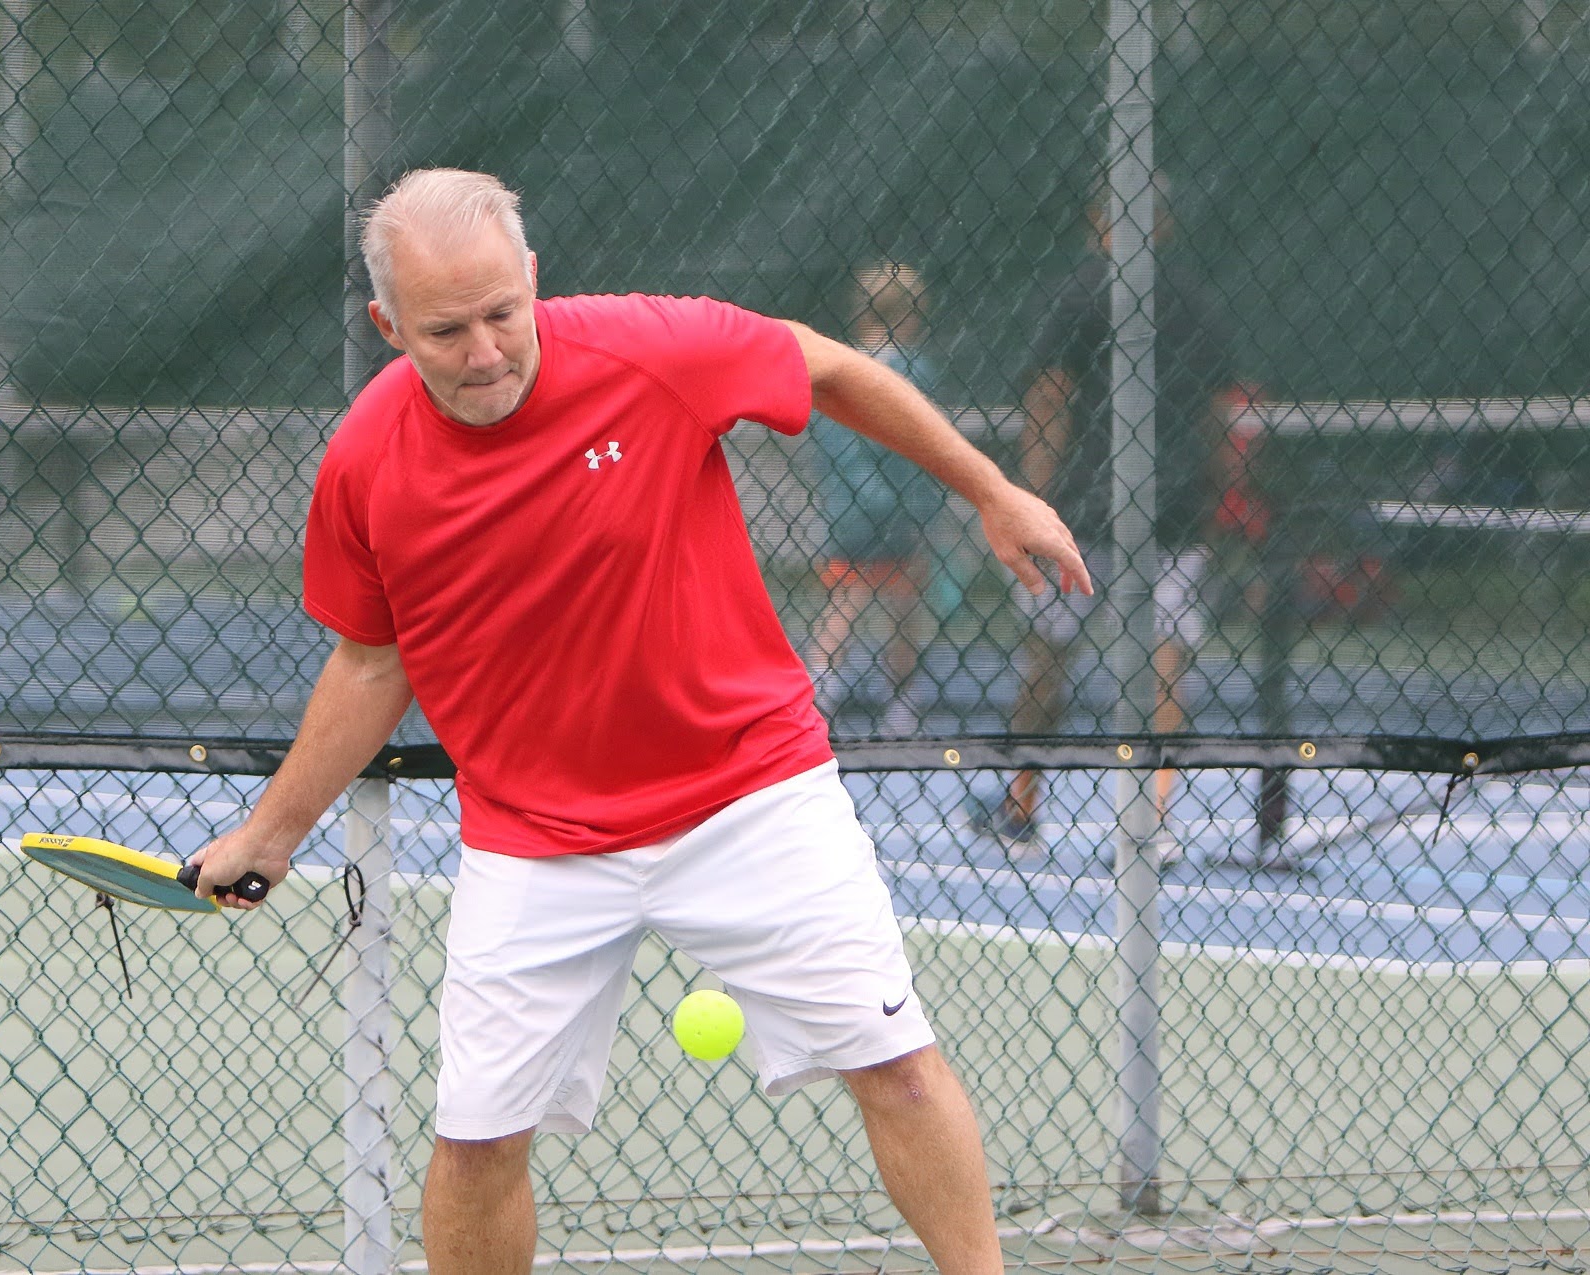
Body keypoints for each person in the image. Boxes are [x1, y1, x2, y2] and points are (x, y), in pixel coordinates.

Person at [186, 168, 1089, 1275]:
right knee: (473, 1146)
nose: (483, 353)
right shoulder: (367, 461)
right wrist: (272, 832)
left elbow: (830, 367)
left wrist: (990, 491)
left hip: (749, 795)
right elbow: (371, 662)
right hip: (536, 841)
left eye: (499, 315)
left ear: (530, 279)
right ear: (387, 327)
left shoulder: (650, 349)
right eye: (444, 331)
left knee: (895, 1063)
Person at [972, 172, 1236, 854]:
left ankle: (1021, 805)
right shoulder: (1195, 300)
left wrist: (1031, 496)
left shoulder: (1085, 289)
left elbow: (1049, 397)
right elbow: (1217, 413)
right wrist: (1212, 487)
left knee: (1050, 653)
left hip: (1088, 506)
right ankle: (1153, 816)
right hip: (1163, 506)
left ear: (1100, 219)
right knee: (1165, 658)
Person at [804, 260, 948, 733]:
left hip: (851, 510)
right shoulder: (915, 370)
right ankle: (902, 703)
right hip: (899, 511)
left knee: (845, 600)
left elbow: (829, 443)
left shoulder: (841, 364)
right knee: (904, 607)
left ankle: (819, 692)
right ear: (912, 315)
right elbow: (923, 440)